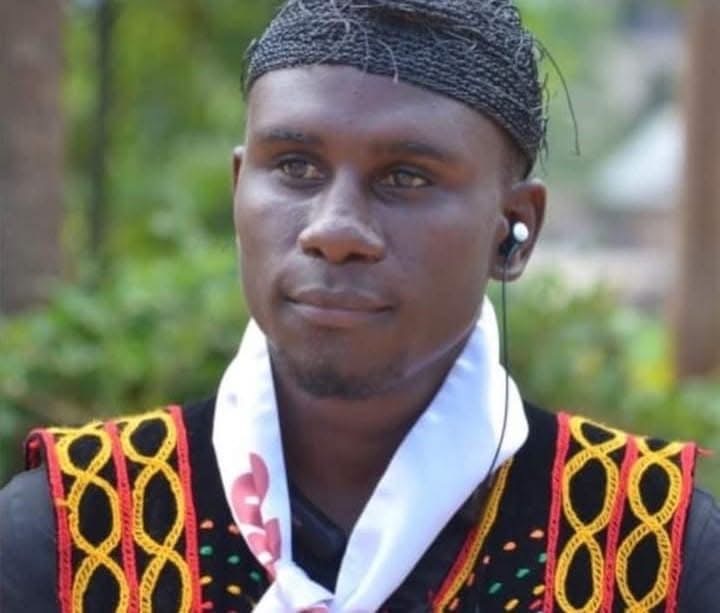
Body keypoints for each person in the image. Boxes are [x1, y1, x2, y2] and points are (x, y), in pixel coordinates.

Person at [1, 1, 719, 611]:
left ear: (513, 228)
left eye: (405, 177)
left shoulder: (650, 550)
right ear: (239, 190)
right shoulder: (75, 531)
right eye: (295, 167)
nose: (334, 229)